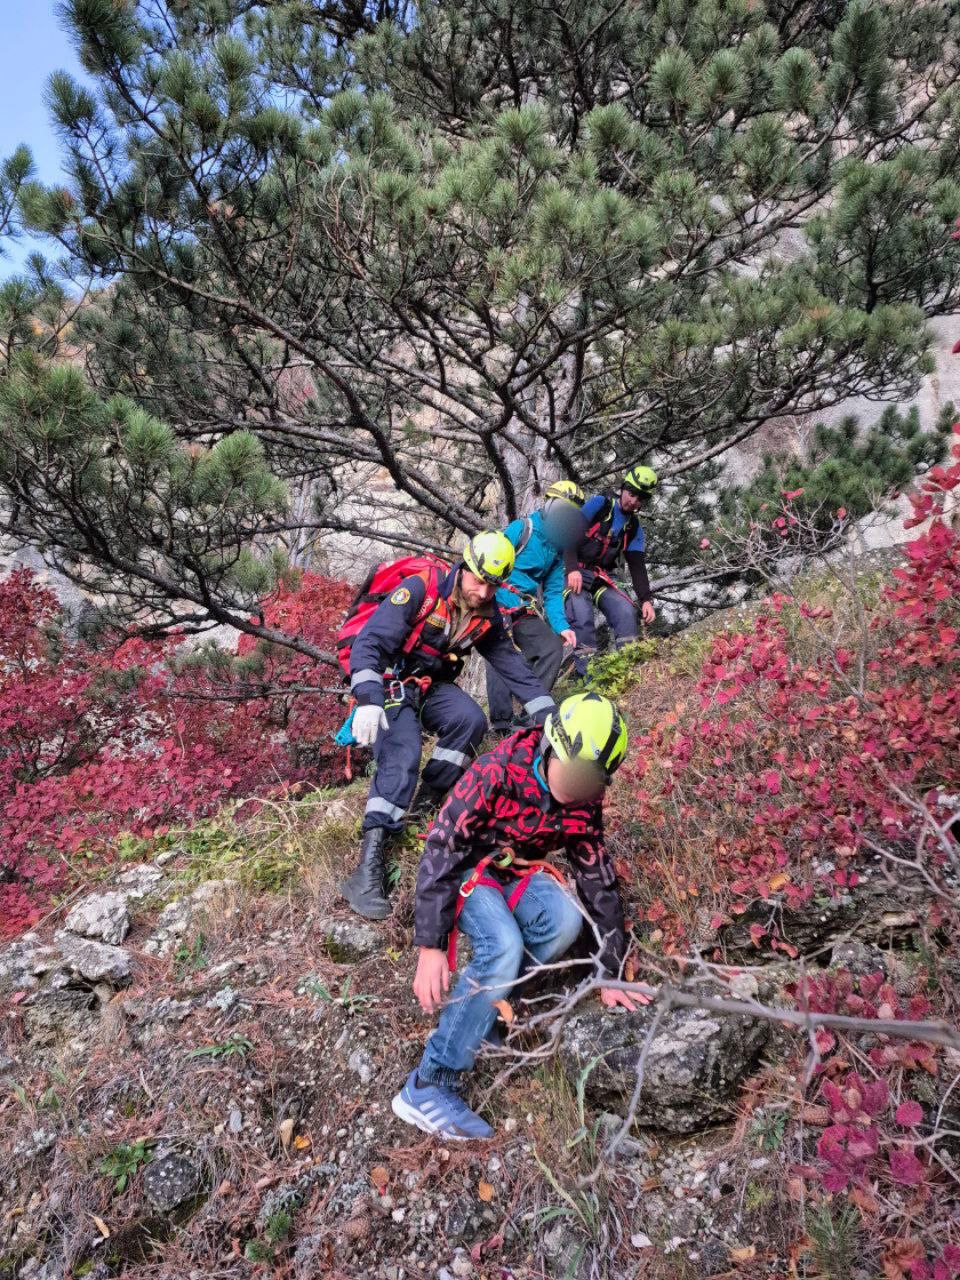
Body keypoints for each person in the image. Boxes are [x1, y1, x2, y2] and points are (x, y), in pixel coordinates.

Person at [392, 691, 647, 1140]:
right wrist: (430, 946)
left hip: (517, 873)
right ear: (552, 745)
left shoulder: (583, 805)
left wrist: (609, 969)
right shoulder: (497, 771)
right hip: (469, 869)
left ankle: (485, 1016)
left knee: (565, 921)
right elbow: (443, 847)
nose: (578, 786)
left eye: (592, 780)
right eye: (575, 770)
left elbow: (597, 878)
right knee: (502, 943)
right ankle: (430, 1081)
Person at [339, 531, 557, 921]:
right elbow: (370, 643)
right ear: (464, 567)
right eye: (480, 580)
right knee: (402, 752)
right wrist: (369, 700)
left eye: (494, 585)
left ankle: (425, 802)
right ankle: (369, 863)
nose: (485, 592)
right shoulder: (420, 589)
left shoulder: (485, 616)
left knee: (469, 720)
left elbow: (513, 667)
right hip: (389, 681)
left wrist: (550, 715)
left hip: (430, 685)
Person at [485, 481, 586, 733]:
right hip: (496, 601)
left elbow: (552, 594)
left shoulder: (557, 549)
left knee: (551, 648)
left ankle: (529, 714)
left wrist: (562, 627)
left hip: (522, 610)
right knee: (499, 651)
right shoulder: (523, 529)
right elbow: (493, 557)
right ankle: (501, 723)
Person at [564, 465, 658, 678]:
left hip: (601, 576)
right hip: (574, 569)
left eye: (638, 498)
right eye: (631, 493)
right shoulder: (601, 504)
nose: (632, 501)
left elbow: (637, 565)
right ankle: (587, 677)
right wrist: (571, 568)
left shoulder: (633, 527)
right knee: (581, 612)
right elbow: (570, 533)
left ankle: (628, 672)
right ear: (623, 488)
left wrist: (645, 599)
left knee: (625, 611)